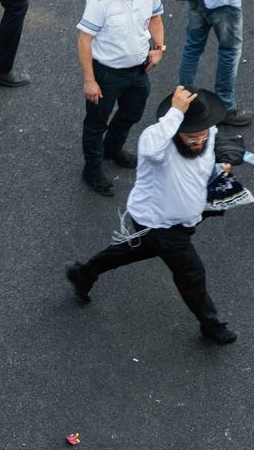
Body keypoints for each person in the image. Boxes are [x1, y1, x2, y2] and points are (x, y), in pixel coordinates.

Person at [66, 86, 238, 346]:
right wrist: (175, 113)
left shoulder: (207, 131)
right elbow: (151, 150)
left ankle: (84, 273)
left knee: (133, 250)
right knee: (191, 273)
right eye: (190, 136)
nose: (198, 140)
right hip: (158, 223)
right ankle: (211, 325)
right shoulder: (156, 140)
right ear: (176, 127)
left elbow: (221, 139)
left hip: (182, 220)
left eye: (201, 134)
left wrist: (225, 159)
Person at [77, 0, 165, 197]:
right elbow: (84, 40)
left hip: (138, 71)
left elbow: (156, 19)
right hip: (106, 74)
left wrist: (159, 48)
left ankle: (112, 149)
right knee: (96, 124)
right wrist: (89, 80)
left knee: (132, 114)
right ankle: (92, 170)